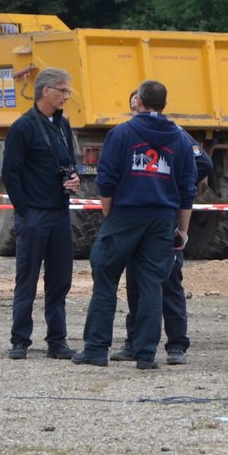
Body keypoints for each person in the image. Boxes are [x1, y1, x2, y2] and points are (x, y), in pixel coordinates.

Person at [73, 80, 197, 369]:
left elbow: (106, 178)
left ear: (138, 101)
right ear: (164, 104)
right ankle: (145, 355)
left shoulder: (122, 133)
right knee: (152, 284)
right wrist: (183, 230)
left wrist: (109, 214)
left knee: (105, 280)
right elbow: (187, 188)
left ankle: (96, 349)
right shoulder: (180, 139)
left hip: (125, 215)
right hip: (161, 219)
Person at [110, 92, 213, 365]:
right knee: (135, 283)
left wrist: (178, 186)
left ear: (145, 104)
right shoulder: (129, 135)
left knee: (169, 281)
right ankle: (134, 342)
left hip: (164, 219)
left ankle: (177, 344)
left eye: (137, 107)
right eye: (130, 108)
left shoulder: (173, 134)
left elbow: (202, 162)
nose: (134, 113)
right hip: (137, 221)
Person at [2, 67, 81, 359]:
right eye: (62, 91)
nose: (66, 96)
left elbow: (71, 163)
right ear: (45, 91)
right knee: (27, 279)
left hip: (60, 213)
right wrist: (24, 209)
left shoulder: (63, 125)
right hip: (34, 214)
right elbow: (10, 173)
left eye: (67, 91)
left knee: (60, 280)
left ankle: (57, 341)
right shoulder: (23, 127)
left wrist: (74, 178)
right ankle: (20, 340)